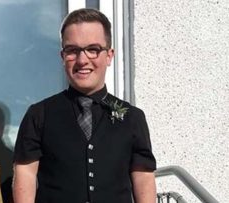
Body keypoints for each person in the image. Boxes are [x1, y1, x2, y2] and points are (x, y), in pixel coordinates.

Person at [13, 8, 156, 203]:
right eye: (72, 50)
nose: (82, 60)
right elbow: (25, 174)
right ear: (62, 56)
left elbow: (143, 177)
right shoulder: (39, 115)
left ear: (109, 55)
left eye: (93, 49)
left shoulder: (132, 117)